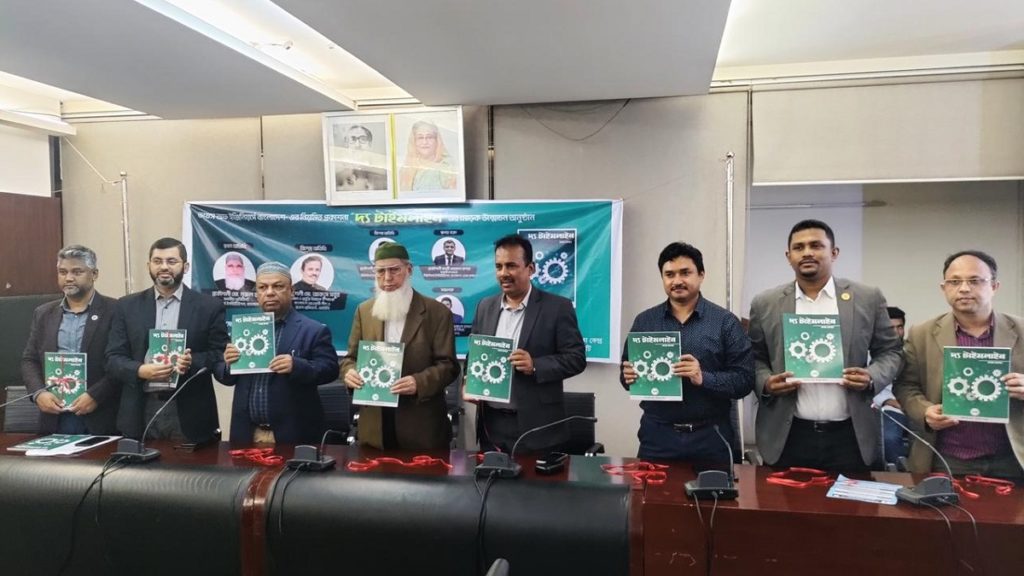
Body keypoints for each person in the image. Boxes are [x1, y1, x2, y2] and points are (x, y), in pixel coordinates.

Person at [748, 220, 902, 472]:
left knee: (851, 499)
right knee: (783, 498)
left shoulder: (867, 297)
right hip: (788, 435)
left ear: (834, 252)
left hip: (850, 435)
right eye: (799, 247)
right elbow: (754, 357)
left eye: (816, 245)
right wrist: (766, 382)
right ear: (788, 256)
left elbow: (890, 351)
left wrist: (871, 377)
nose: (807, 252)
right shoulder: (765, 303)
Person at [895, 251, 1024, 477]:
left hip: (1013, 458)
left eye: (974, 281)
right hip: (947, 458)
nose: (964, 288)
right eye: (954, 282)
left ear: (994, 286)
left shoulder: (1021, 330)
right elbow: (905, 385)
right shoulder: (921, 333)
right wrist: (925, 411)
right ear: (943, 288)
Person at [620, 242, 753, 461]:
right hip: (657, 436)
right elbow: (626, 377)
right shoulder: (645, 321)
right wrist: (628, 376)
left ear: (701, 275)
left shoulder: (725, 322)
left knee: (714, 486)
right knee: (651, 485)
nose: (677, 281)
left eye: (685, 273)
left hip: (711, 436)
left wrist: (703, 378)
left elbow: (745, 380)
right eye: (669, 274)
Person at [469, 234, 586, 453]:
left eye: (511, 266)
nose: (503, 273)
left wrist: (535, 365)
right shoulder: (484, 306)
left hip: (538, 428)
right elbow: (473, 356)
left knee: (536, 478)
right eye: (499, 266)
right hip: (491, 426)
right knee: (489, 477)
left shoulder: (557, 308)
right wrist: (469, 384)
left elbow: (576, 359)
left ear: (530, 268)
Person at [106, 237, 228, 444]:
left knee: (190, 466)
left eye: (171, 261)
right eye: (157, 261)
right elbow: (112, 358)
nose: (164, 267)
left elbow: (220, 353)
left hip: (189, 410)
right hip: (140, 407)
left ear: (185, 266)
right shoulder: (126, 306)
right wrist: (140, 370)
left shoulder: (209, 307)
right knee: (140, 465)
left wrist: (192, 362)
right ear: (149, 266)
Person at [341, 242, 459, 450]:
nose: (387, 278)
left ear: (409, 270)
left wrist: (418, 382)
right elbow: (350, 359)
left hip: (420, 427)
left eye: (394, 270)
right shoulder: (364, 311)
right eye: (380, 271)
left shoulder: (437, 312)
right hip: (375, 426)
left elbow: (449, 366)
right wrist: (349, 373)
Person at [215, 262, 339, 445]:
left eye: (278, 286)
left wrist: (297, 365)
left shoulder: (313, 330)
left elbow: (330, 369)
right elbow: (224, 375)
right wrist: (228, 364)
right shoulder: (243, 328)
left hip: (293, 435)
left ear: (292, 291)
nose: (270, 292)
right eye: (263, 287)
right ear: (256, 293)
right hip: (247, 434)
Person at [21, 245, 119, 434]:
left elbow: (121, 362)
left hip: (100, 414)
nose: (69, 278)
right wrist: (38, 393)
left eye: (77, 272)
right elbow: (29, 360)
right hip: (55, 416)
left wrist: (96, 395)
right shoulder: (43, 313)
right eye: (63, 272)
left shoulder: (115, 310)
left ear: (94, 274)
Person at [873, 306, 910, 468]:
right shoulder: (872, 353)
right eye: (891, 328)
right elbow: (870, 384)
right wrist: (888, 400)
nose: (896, 332)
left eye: (899, 327)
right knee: (889, 438)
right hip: (890, 407)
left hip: (918, 406)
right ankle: (898, 475)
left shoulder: (914, 350)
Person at [398, 120, 457, 191]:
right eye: (420, 138)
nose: (425, 142)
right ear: (414, 142)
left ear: (437, 141)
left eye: (429, 137)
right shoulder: (406, 168)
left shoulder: (447, 166)